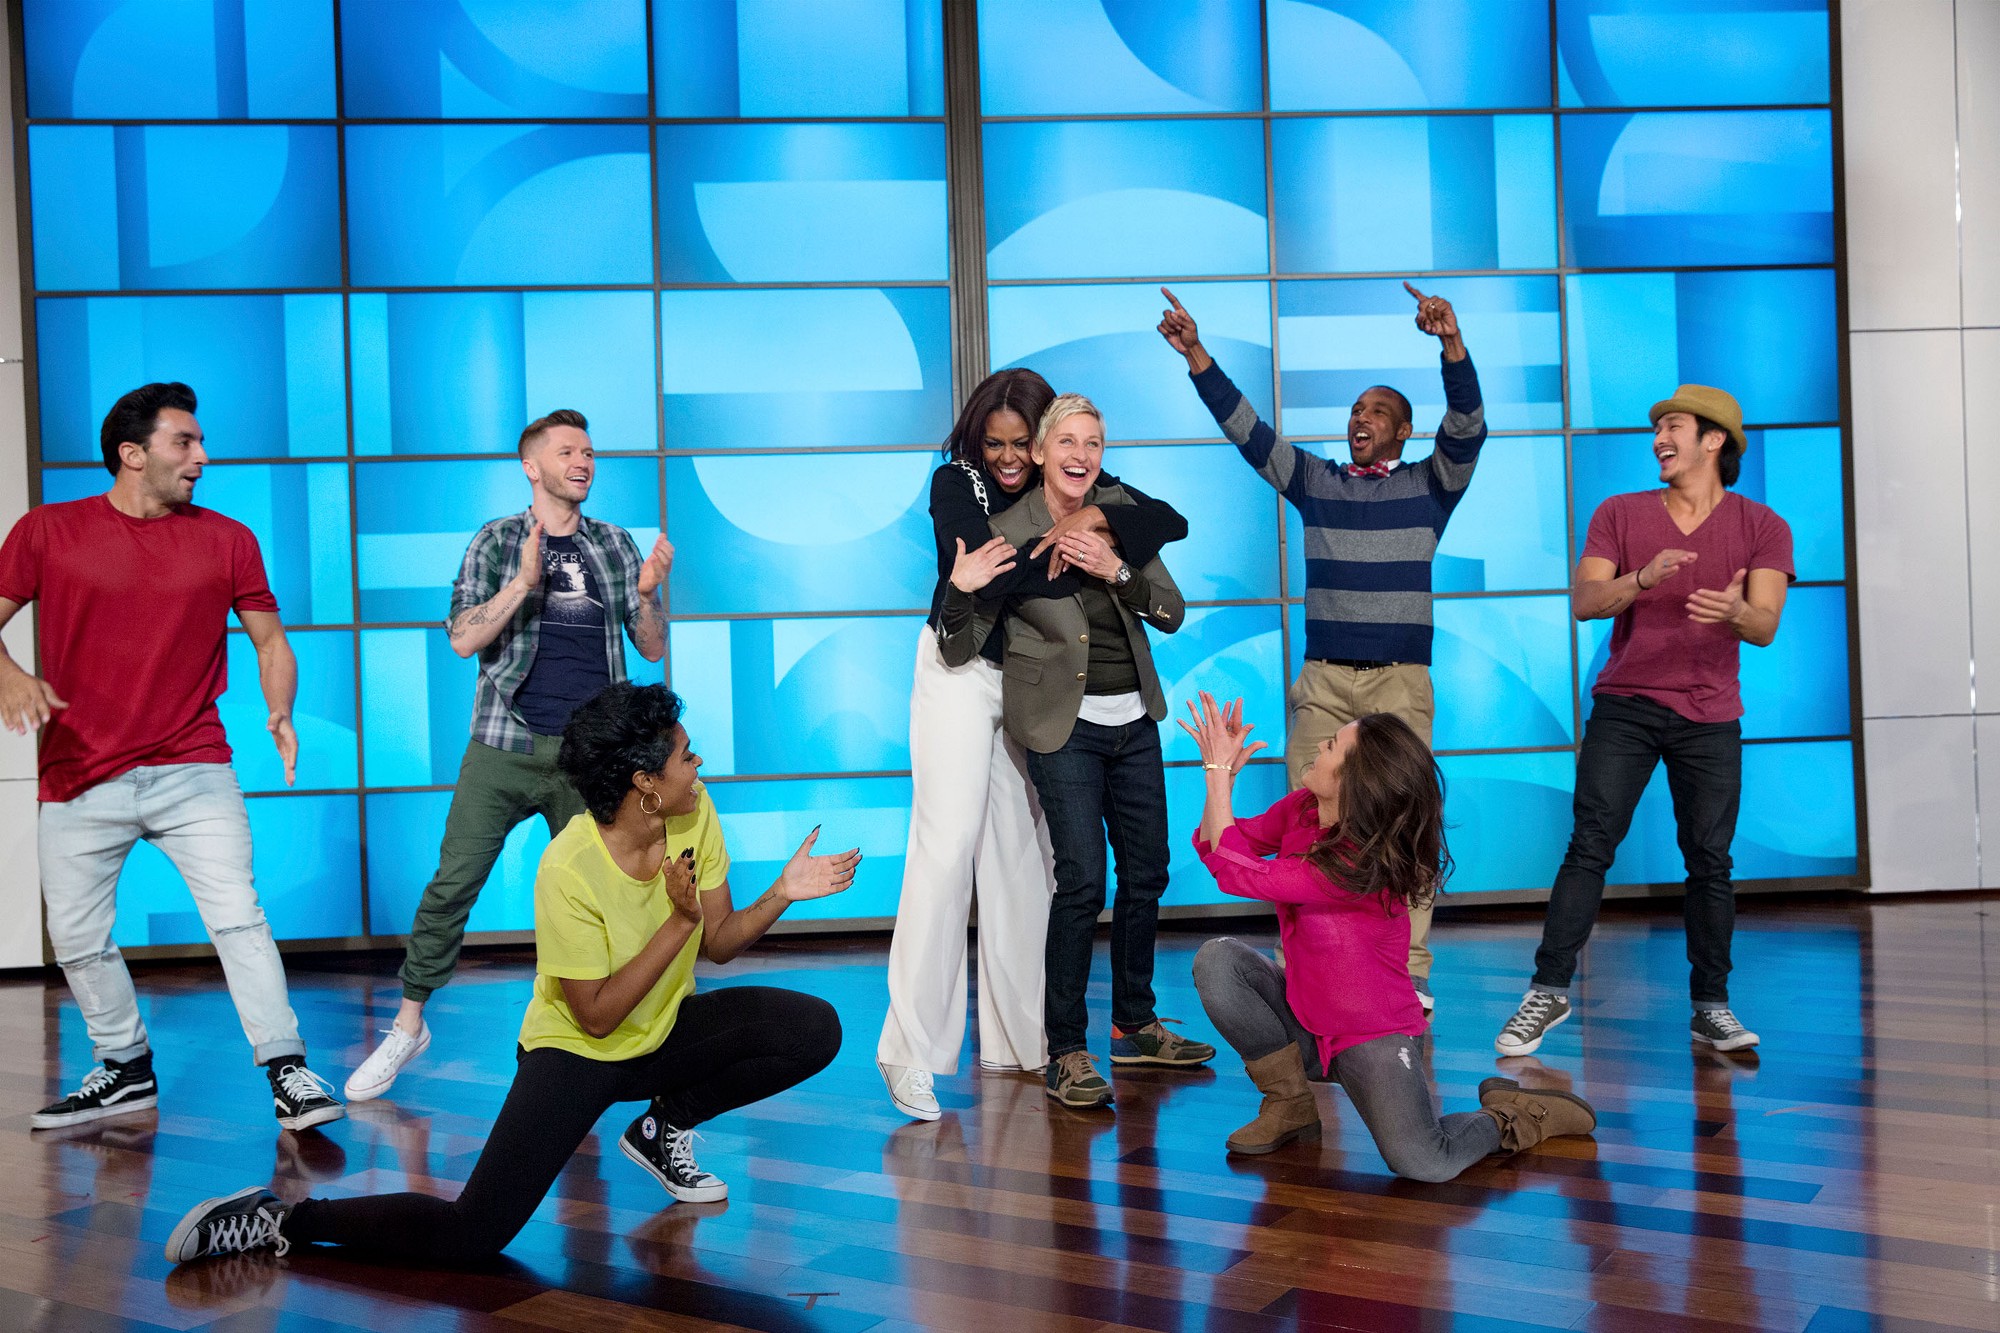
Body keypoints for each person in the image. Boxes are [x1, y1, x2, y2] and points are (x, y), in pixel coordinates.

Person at [165, 682, 854, 1267]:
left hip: (664, 1032)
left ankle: (661, 1129)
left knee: (811, 1029)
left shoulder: (693, 812)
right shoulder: (569, 865)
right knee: (473, 1235)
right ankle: (283, 1219)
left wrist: (782, 892)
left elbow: (724, 943)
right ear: (644, 781)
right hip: (577, 1053)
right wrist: (677, 924)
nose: (696, 759)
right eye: (683, 752)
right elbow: (596, 1017)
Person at [0, 382, 343, 1131]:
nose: (202, 456)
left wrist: (279, 709)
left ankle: (288, 1070)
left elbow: (270, 639)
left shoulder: (226, 537)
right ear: (132, 454)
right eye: (184, 442)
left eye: (200, 441)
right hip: (78, 770)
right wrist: (12, 673)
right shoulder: (46, 531)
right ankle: (124, 1068)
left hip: (193, 764)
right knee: (80, 936)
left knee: (238, 917)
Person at [1158, 283, 1487, 1016]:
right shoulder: (1317, 482)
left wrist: (1451, 345)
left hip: (1400, 685)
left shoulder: (1430, 487)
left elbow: (1467, 428)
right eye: (1354, 410)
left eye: (1376, 411)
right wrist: (1198, 355)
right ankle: (1305, 964)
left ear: (1402, 433)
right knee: (1311, 822)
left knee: (1405, 822)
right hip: (1328, 686)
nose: (1358, 418)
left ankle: (1409, 969)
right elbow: (1250, 434)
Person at [878, 369, 1188, 1121]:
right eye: (999, 443)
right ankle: (911, 1053)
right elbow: (979, 563)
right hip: (960, 667)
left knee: (1030, 864)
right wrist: (995, 563)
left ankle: (1028, 1045)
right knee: (948, 849)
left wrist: (1102, 529)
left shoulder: (1073, 470)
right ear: (978, 438)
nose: (1012, 456)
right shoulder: (958, 482)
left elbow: (1163, 520)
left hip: (1032, 680)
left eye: (1026, 442)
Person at [344, 408, 674, 1102]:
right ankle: (408, 1025)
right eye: (566, 450)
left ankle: (593, 1042)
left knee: (604, 900)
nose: (583, 460)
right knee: (453, 883)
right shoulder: (495, 541)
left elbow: (651, 646)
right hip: (504, 742)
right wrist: (523, 583)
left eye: (589, 450)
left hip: (590, 758)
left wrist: (645, 597)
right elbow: (463, 637)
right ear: (532, 465)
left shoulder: (613, 543)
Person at [1181, 695, 1596, 1177]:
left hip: (1372, 1036)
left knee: (1426, 1162)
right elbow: (1221, 847)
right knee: (1219, 960)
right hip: (1306, 1018)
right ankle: (1289, 1105)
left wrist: (1216, 771)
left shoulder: (1357, 863)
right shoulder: (1303, 810)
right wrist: (1224, 777)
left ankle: (1516, 1114)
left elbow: (1237, 872)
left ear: (1352, 780)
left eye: (1332, 744)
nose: (1319, 745)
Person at [1495, 386, 1792, 1058]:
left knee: (1710, 861)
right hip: (1626, 704)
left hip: (1711, 713)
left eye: (1674, 427)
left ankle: (1710, 1005)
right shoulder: (1620, 512)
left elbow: (1766, 624)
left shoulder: (1762, 526)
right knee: (1590, 844)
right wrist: (1643, 579)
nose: (1659, 438)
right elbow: (1586, 600)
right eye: (1656, 427)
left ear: (1714, 440)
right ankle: (1547, 988)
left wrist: (1734, 611)